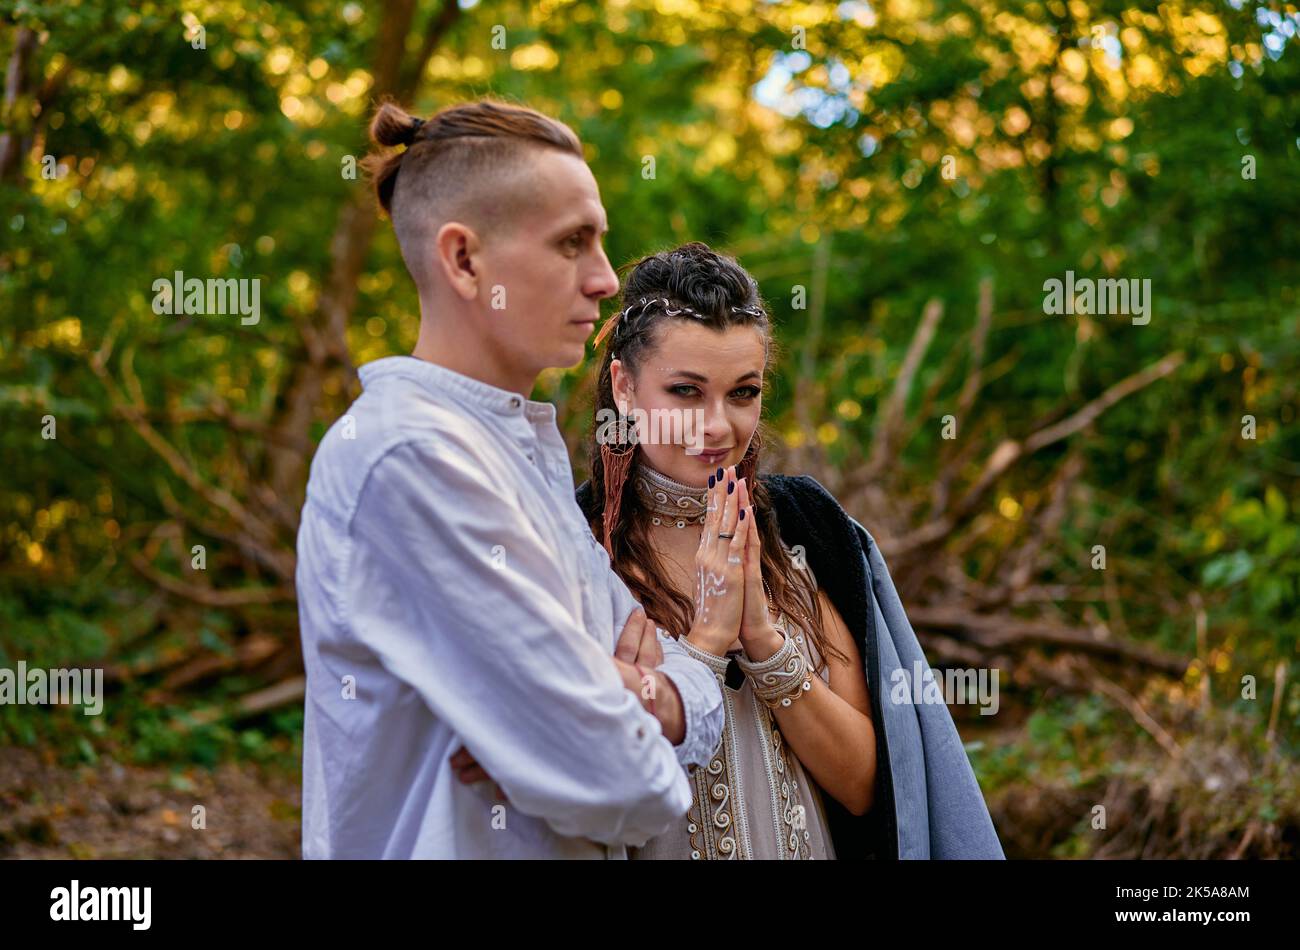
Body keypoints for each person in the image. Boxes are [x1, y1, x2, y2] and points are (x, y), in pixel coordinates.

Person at [295, 101, 727, 859]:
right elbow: (624, 778)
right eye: (572, 243)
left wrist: (645, 695)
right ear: (465, 261)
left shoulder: (513, 452)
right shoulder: (409, 455)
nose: (603, 281)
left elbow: (679, 704)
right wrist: (613, 710)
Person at [575, 242, 1006, 859]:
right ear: (624, 385)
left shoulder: (804, 532)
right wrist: (702, 645)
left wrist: (761, 637)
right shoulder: (577, 547)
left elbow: (864, 789)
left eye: (743, 393)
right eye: (686, 392)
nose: (718, 426)